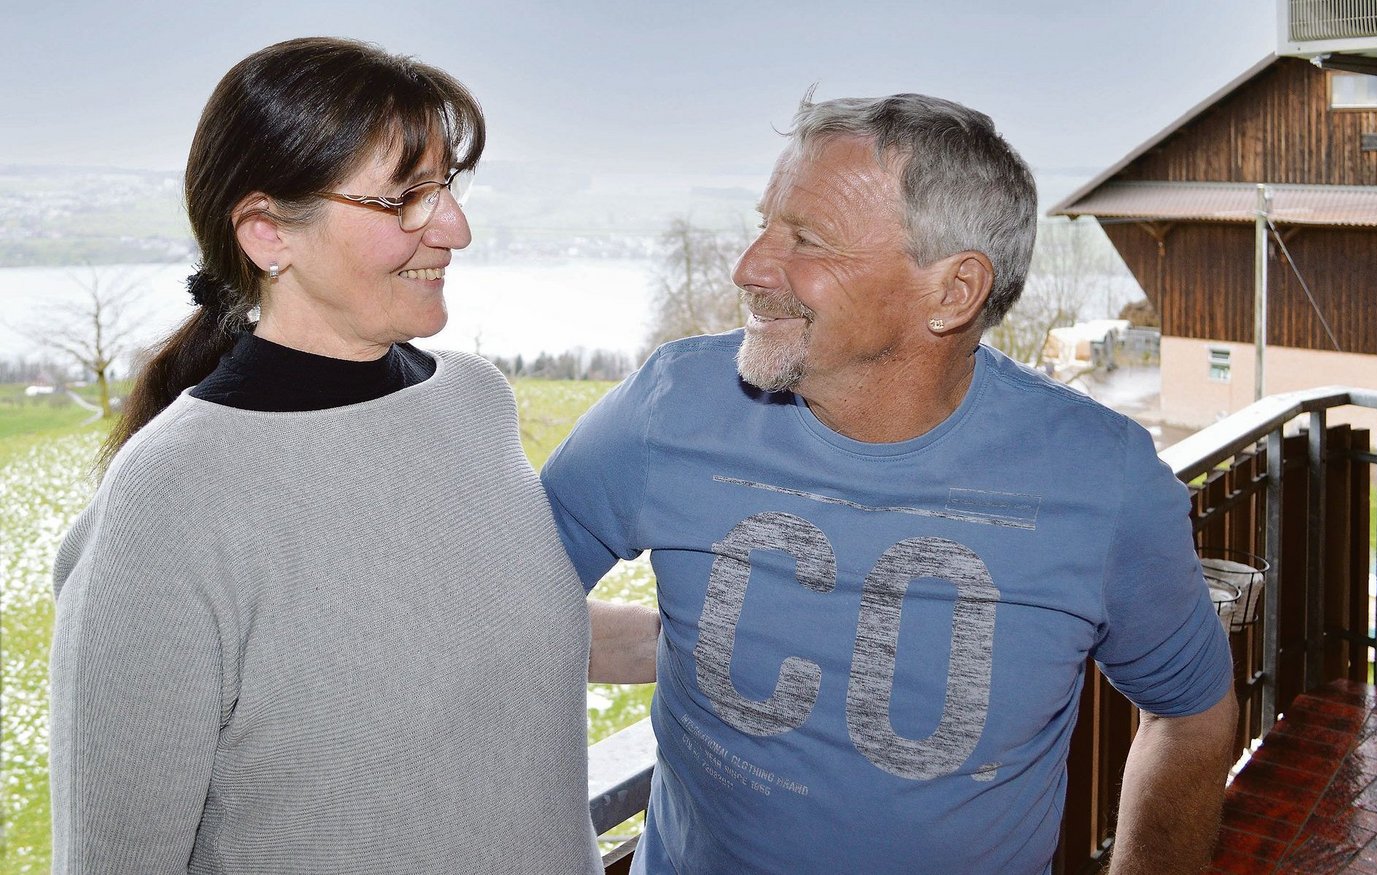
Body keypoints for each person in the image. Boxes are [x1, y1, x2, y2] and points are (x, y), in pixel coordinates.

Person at [541, 94, 1239, 874]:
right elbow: (490, 606)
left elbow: (1191, 713)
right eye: (765, 223)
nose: (749, 267)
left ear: (953, 291)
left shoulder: (1104, 484)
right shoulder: (671, 405)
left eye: (807, 239)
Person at [50, 37, 616, 874]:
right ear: (268, 232)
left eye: (448, 188)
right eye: (405, 199)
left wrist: (711, 639)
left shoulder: (472, 400)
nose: (454, 227)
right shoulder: (171, 497)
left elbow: (458, 632)